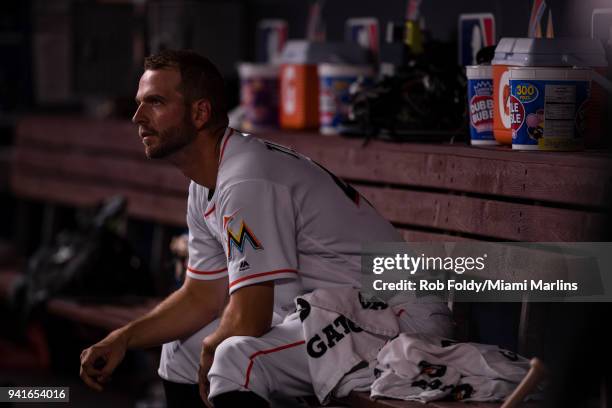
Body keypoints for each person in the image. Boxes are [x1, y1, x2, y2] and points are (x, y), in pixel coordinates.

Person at [79, 49, 446, 408]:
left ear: (200, 112)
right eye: (140, 102)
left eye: (155, 102)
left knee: (237, 359)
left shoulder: (244, 180)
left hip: (399, 316)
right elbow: (201, 297)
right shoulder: (207, 180)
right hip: (336, 311)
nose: (137, 116)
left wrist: (214, 346)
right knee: (180, 351)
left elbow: (250, 317)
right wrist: (124, 338)